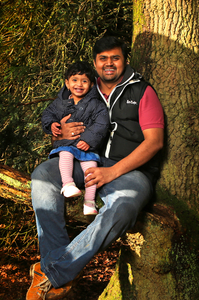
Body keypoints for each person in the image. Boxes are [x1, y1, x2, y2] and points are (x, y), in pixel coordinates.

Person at [27, 36, 164, 300]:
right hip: (84, 161)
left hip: (130, 173)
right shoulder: (83, 88)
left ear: (125, 60)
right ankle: (57, 270)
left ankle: (53, 272)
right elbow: (57, 123)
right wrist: (59, 132)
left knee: (123, 209)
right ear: (95, 63)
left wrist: (113, 172)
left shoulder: (142, 92)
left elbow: (155, 143)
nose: (109, 64)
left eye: (115, 58)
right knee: (43, 175)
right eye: (103, 59)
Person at [41, 61, 109, 215]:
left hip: (87, 146)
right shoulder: (60, 103)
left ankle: (90, 202)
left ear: (91, 84)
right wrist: (51, 124)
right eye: (75, 80)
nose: (79, 84)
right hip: (67, 144)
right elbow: (47, 114)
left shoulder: (96, 104)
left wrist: (89, 140)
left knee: (91, 169)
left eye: (84, 81)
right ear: (67, 83)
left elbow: (101, 123)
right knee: (65, 154)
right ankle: (68, 184)